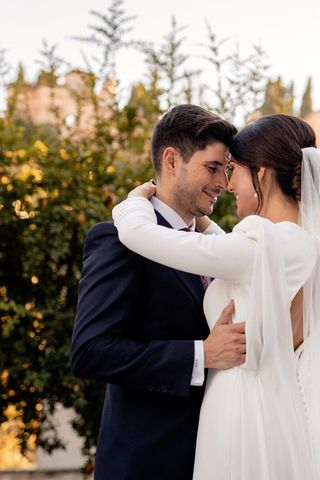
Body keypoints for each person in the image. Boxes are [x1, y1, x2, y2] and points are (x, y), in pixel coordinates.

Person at [112, 114, 320, 479]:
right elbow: (230, 253)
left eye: (235, 170)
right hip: (264, 405)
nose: (228, 185)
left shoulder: (264, 242)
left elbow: (139, 234)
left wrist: (135, 200)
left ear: (260, 174)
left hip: (240, 412)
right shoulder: (296, 243)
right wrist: (206, 226)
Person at [70, 104, 246, 479]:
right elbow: (89, 351)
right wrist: (202, 354)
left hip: (212, 460)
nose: (224, 183)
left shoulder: (212, 246)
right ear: (171, 160)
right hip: (145, 464)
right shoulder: (118, 241)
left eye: (227, 170)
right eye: (213, 167)